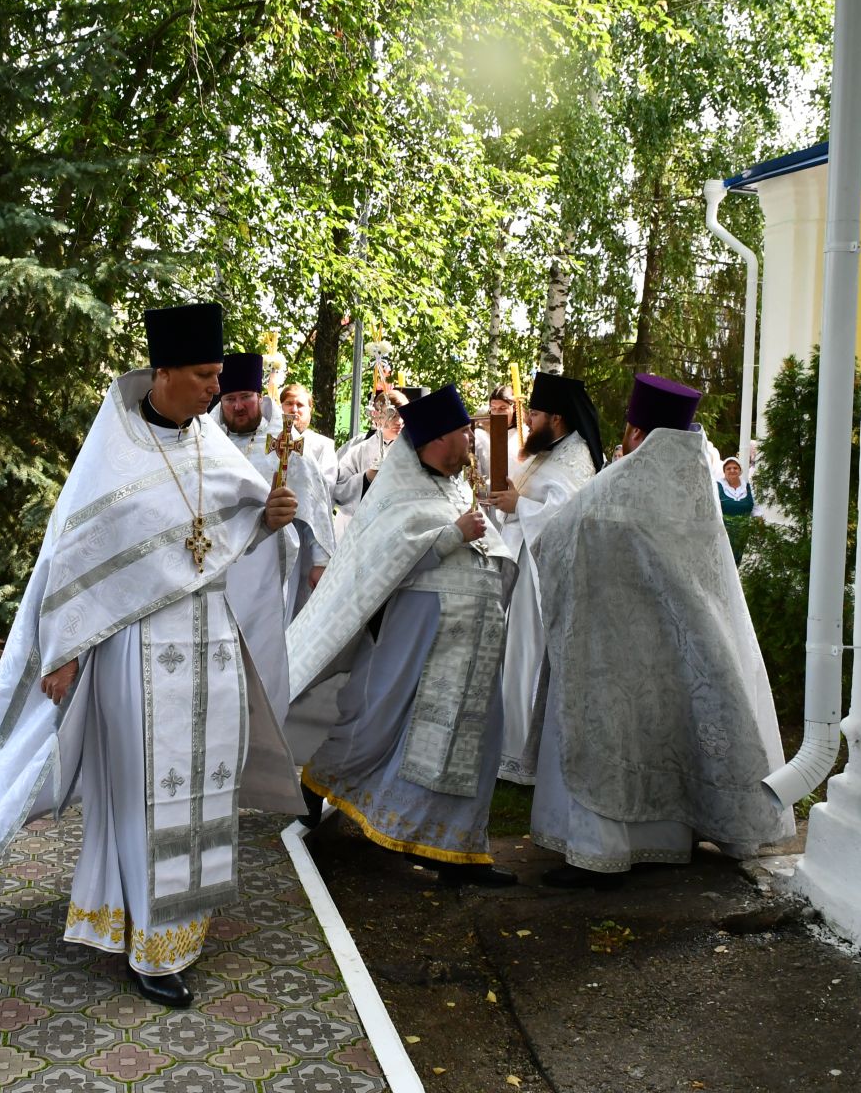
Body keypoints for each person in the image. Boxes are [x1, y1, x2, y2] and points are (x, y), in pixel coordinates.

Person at [0, 303, 306, 1009]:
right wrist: (61, 651)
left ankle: (179, 928)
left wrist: (266, 524)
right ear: (165, 371)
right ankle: (148, 945)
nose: (216, 388)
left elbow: (222, 533)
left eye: (217, 377)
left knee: (201, 787)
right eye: (205, 376)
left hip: (207, 647)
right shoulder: (113, 452)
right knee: (143, 793)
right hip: (134, 654)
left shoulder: (209, 445)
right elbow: (74, 560)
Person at [530, 373, 794, 887]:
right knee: (675, 729)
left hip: (611, 649)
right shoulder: (695, 482)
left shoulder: (620, 483)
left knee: (615, 738)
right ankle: (677, 836)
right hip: (686, 648)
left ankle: (600, 853)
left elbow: (560, 536)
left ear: (634, 431)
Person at [286, 385, 519, 887]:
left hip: (472, 636)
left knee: (472, 735)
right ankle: (320, 780)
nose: (472, 436)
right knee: (386, 718)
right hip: (421, 634)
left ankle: (456, 848)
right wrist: (453, 535)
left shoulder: (456, 485)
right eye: (464, 430)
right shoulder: (399, 488)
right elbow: (389, 557)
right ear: (438, 437)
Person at [486, 371, 604, 784]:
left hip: (539, 579)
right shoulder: (546, 452)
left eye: (533, 414)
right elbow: (522, 499)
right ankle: (508, 749)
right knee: (512, 657)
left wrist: (519, 505)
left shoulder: (576, 458)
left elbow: (566, 518)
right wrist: (506, 499)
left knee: (527, 658)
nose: (528, 422)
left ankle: (522, 758)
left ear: (556, 417)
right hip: (520, 569)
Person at [216, 354, 336, 623]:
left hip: (273, 558)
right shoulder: (207, 439)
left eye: (245, 396)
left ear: (259, 397)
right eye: (229, 399)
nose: (238, 407)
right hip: (220, 557)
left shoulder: (284, 440)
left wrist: (321, 562)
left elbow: (313, 503)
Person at [330, 389, 405, 529]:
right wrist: (366, 478)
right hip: (360, 526)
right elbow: (339, 487)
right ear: (377, 417)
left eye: (404, 415)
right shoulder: (359, 451)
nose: (400, 421)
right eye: (393, 415)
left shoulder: (413, 451)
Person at [278, 381, 338, 478]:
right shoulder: (271, 442)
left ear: (310, 409)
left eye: (300, 405)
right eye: (289, 403)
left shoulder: (323, 447)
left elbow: (326, 486)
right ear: (280, 407)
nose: (294, 409)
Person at [718, 454, 754, 563]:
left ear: (740, 471)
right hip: (724, 533)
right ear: (724, 471)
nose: (732, 470)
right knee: (724, 560)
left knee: (739, 560)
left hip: (744, 533)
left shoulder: (748, 487)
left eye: (735, 468)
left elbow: (757, 508)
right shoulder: (718, 486)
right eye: (728, 468)